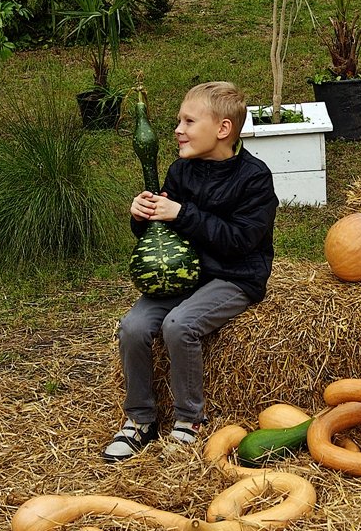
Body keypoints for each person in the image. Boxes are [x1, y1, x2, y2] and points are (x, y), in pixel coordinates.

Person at [102, 81, 278, 463]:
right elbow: (160, 230)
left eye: (188, 121)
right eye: (178, 121)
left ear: (222, 130)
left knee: (179, 325)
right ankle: (139, 419)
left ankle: (188, 420)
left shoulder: (254, 178)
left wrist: (183, 214)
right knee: (133, 326)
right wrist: (142, 215)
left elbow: (241, 241)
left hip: (235, 275)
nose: (177, 130)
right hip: (186, 274)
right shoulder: (180, 171)